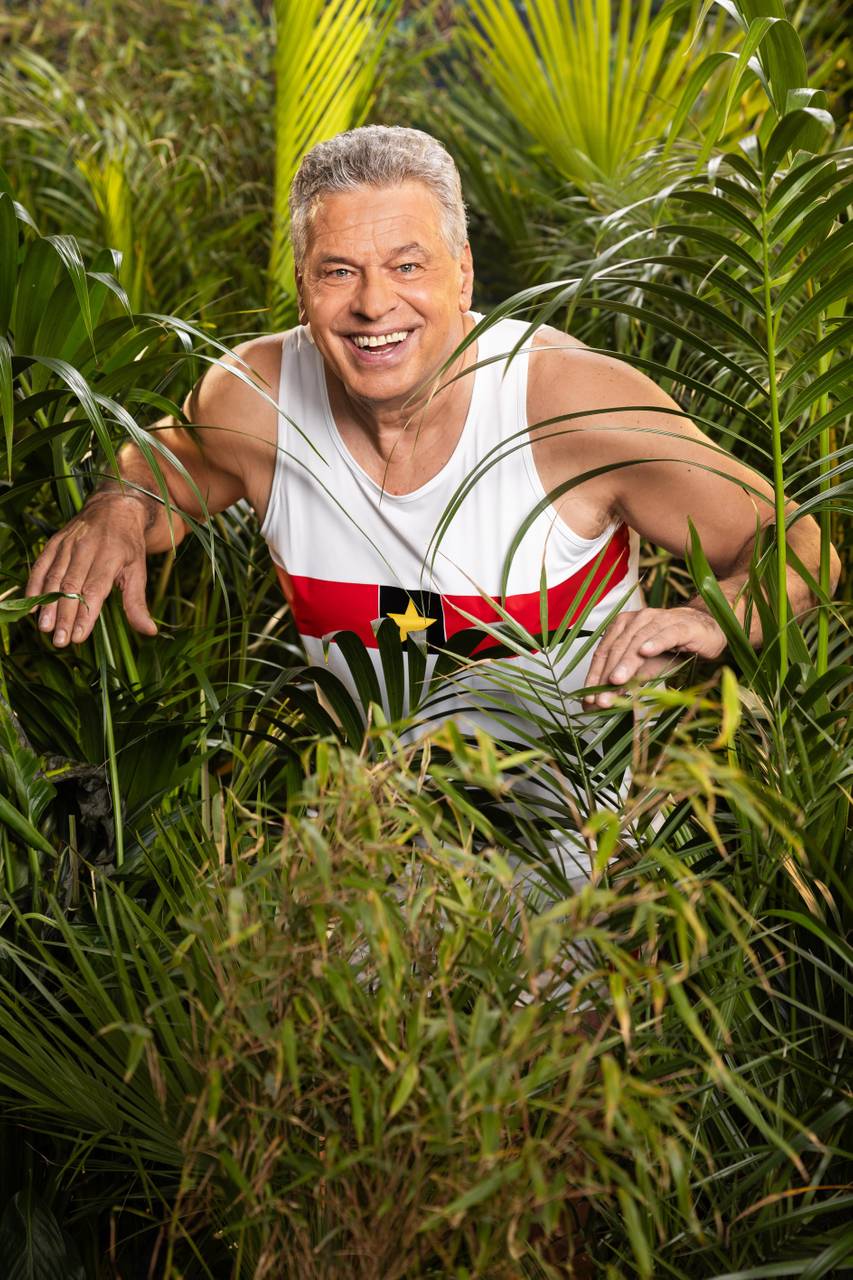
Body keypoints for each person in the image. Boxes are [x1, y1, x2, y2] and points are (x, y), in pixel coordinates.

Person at [26, 126, 834, 725]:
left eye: (407, 266)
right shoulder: (257, 397)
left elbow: (798, 542)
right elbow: (162, 467)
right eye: (338, 272)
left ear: (463, 275)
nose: (374, 304)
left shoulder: (567, 402)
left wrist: (710, 615)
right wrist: (117, 508)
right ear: (302, 287)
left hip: (591, 847)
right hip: (376, 846)